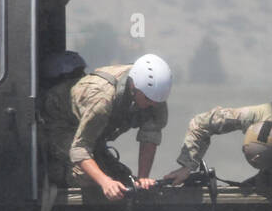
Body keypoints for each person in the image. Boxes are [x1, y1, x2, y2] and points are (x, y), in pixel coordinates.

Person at [39, 54, 172, 200]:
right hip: (61, 121)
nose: (152, 105)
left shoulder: (154, 96)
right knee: (86, 177)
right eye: (147, 100)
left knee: (122, 178)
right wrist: (105, 182)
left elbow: (150, 135)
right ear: (134, 86)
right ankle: (54, 171)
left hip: (91, 124)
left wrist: (143, 179)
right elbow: (80, 149)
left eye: (156, 102)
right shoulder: (102, 100)